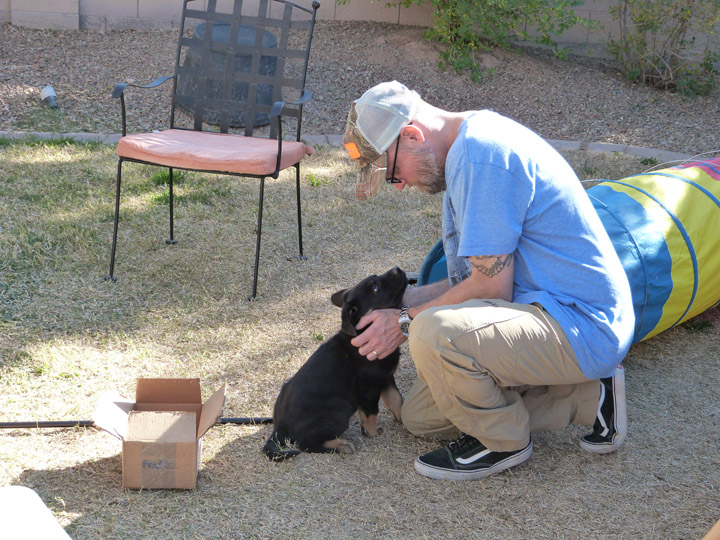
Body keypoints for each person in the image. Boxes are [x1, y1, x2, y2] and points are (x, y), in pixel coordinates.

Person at [342, 81, 635, 481]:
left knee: (431, 332)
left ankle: (503, 442)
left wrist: (404, 321)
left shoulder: (482, 157)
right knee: (419, 418)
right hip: (540, 312)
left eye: (392, 174)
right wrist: (401, 301)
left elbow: (490, 288)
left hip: (580, 322)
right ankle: (589, 396)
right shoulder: (463, 151)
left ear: (411, 135)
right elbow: (476, 278)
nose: (400, 185)